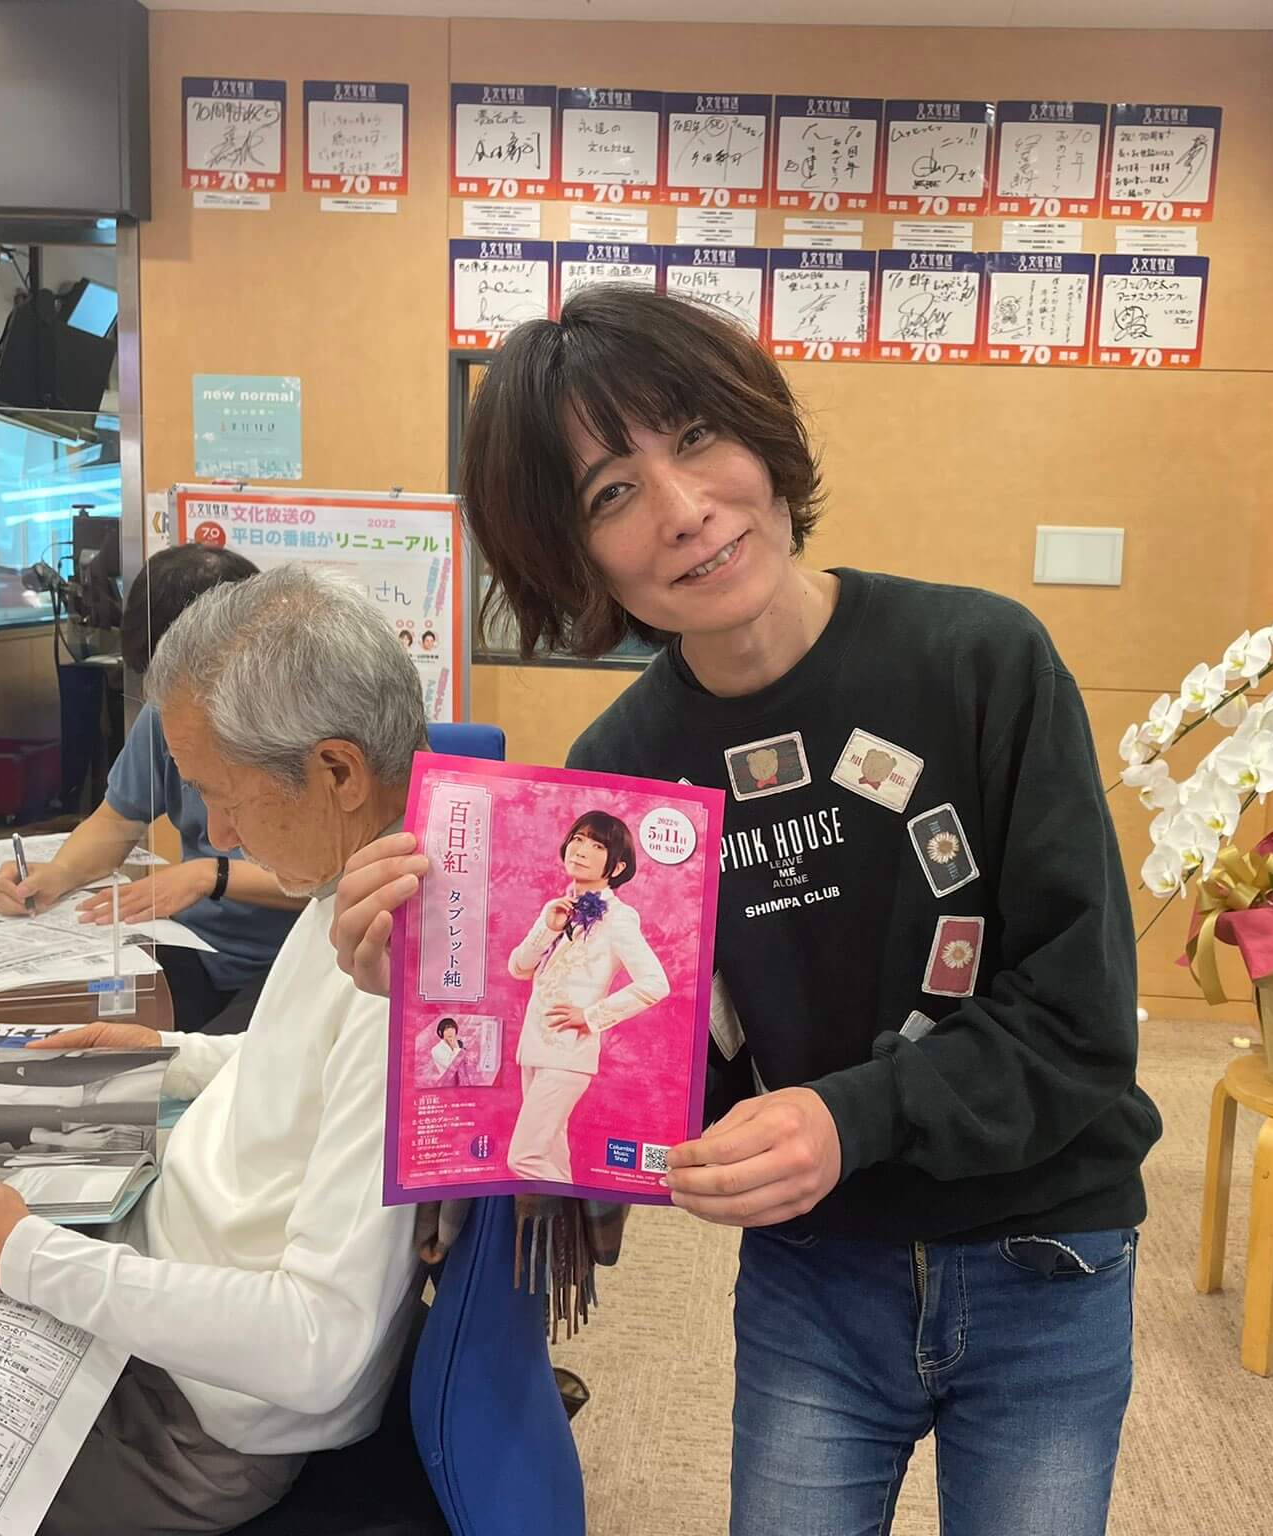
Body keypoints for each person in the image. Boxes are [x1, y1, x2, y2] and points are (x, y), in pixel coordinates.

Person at [331, 287, 1161, 1536]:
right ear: (573, 556)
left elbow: (1080, 1021)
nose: (681, 510)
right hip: (814, 1275)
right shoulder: (624, 779)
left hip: (1043, 1248)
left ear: (762, 435)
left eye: (694, 436)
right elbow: (648, 1080)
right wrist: (440, 987)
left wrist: (846, 1117)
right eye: (611, 493)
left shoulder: (979, 661)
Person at [0, 565, 428, 1536]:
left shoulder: (400, 975)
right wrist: (166, 1055)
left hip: (194, 1418)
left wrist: (16, 1254)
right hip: (150, 1285)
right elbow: (301, 1078)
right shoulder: (349, 882)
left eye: (223, 796)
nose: (216, 833)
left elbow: (321, 1345)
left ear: (338, 772)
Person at [0, 543, 305, 1033]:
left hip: (298, 957)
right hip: (195, 946)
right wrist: (55, 875)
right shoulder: (170, 715)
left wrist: (212, 874)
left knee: (217, 1065)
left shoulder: (306, 724)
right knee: (87, 1028)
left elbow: (341, 877)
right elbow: (117, 819)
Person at [505, 809, 669, 1183]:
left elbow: (655, 983)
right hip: (534, 1048)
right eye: (577, 839)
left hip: (568, 1054)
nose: (581, 850)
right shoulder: (557, 907)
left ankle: (572, 1214)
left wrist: (591, 1015)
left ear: (617, 866)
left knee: (524, 1157)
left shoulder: (619, 917)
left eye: (597, 846)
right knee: (551, 1154)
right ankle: (566, 1220)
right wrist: (548, 928)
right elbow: (518, 967)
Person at [0, 1051, 164, 1150]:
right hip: (91, 1101)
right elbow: (24, 1134)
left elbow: (47, 1066)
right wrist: (66, 1140)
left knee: (169, 1067)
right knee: (169, 1079)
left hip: (95, 1069)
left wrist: (75, 1052)